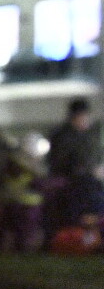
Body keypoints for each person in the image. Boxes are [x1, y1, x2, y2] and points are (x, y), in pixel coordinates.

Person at [44, 98, 104, 243]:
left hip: (92, 181)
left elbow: (95, 157)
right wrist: (87, 170)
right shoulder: (63, 136)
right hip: (72, 182)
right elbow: (61, 162)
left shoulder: (91, 135)